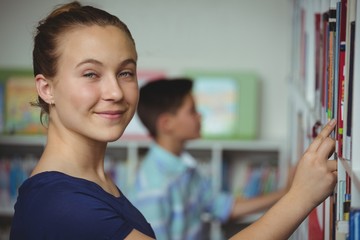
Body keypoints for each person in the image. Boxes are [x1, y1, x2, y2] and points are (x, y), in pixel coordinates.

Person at [9, 1, 337, 240]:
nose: (115, 92)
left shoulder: (91, 185)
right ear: (47, 88)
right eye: (91, 74)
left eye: (125, 72)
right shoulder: (62, 204)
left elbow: (224, 207)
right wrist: (300, 197)